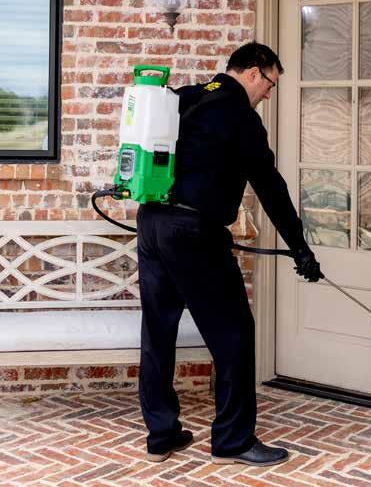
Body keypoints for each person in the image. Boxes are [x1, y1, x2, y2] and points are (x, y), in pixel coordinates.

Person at [137, 42, 323, 466]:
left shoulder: (185, 97)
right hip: (193, 232)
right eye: (271, 84)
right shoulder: (241, 116)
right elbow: (270, 188)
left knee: (158, 331)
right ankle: (233, 441)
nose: (269, 94)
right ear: (255, 72)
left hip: (151, 222)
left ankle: (161, 435)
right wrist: (299, 246)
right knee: (235, 332)